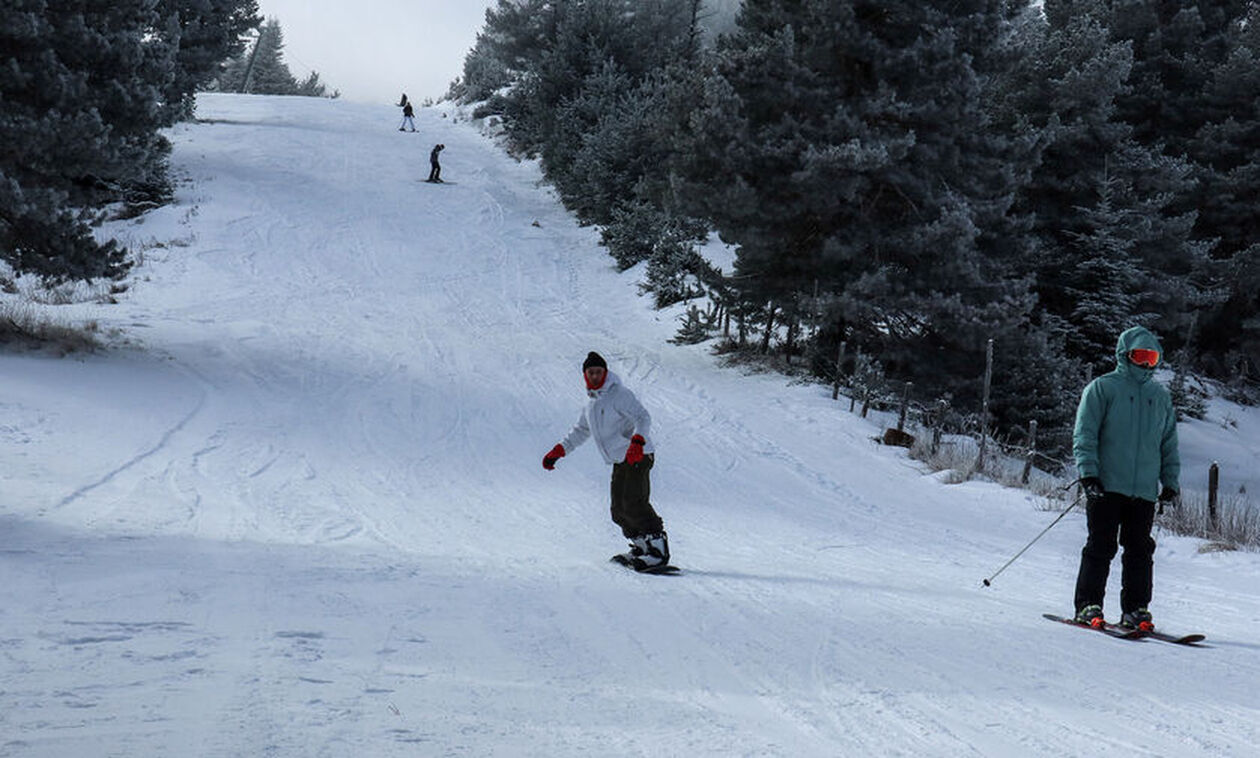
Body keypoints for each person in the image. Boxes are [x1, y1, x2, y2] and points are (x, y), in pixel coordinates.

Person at [1072, 325, 1180, 631]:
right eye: (1140, 356)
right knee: (1101, 545)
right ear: (1125, 355)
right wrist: (1088, 474)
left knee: (1140, 551)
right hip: (1106, 485)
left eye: (1152, 357)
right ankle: (1088, 605)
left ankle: (1136, 609)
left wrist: (1170, 481)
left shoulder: (1159, 397)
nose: (1146, 363)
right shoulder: (1103, 388)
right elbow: (1085, 434)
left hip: (1144, 490)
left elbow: (1168, 443)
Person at [542, 352, 670, 570]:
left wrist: (637, 442)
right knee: (618, 509)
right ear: (585, 375)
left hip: (638, 454)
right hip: (620, 459)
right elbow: (581, 430)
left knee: (634, 502)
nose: (594, 376)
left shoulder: (619, 394)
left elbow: (642, 417)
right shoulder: (591, 403)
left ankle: (658, 550)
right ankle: (641, 547)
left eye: (598, 372)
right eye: (590, 372)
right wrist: (559, 450)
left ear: (605, 372)